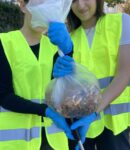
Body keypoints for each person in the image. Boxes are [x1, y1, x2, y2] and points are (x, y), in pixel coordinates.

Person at [48, 0, 130, 149]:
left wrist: (94, 112)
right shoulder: (69, 40)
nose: (80, 5)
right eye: (73, 1)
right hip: (79, 121)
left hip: (113, 123)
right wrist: (58, 74)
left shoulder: (122, 22)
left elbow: (123, 75)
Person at [0, 0, 75, 150]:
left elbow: (64, 91)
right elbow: (4, 96)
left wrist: (68, 52)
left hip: (54, 140)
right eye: (40, 3)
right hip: (16, 143)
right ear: (23, 5)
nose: (45, 10)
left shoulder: (56, 47)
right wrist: (45, 111)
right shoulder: (4, 43)